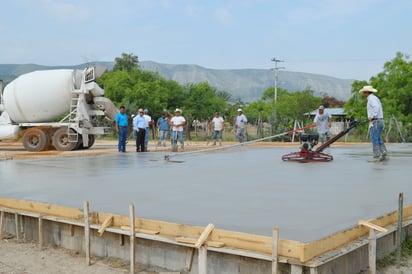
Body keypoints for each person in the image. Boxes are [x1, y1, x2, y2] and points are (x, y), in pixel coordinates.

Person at [359, 85, 388, 162]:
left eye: (364, 92)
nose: (363, 94)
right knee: (378, 138)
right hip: (380, 121)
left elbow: (376, 107)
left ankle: (376, 156)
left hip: (376, 121)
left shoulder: (371, 99)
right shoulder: (375, 98)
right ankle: (384, 153)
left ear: (367, 92)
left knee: (374, 138)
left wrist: (372, 116)